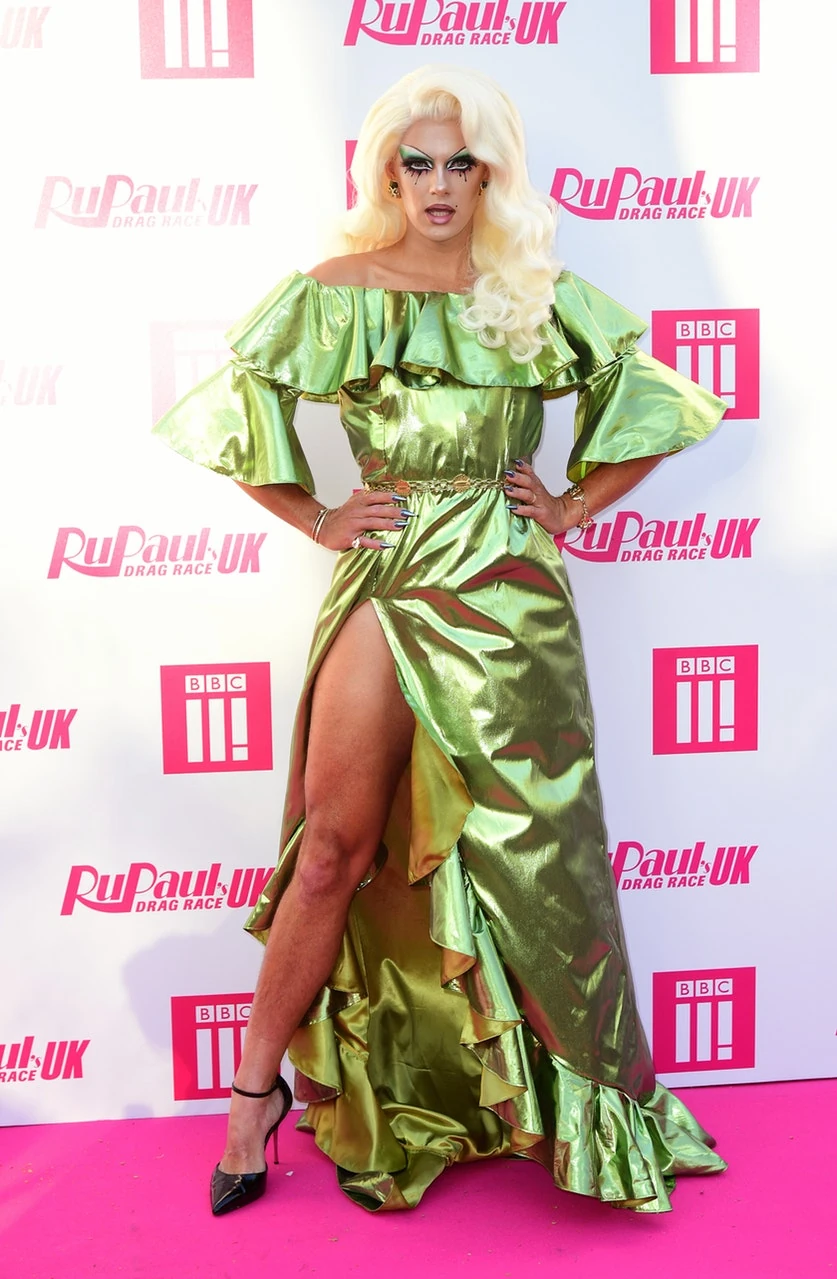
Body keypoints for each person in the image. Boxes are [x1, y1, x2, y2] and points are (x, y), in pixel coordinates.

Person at [153, 64, 727, 1217]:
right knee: (333, 845)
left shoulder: (531, 291)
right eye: (414, 162)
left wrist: (570, 504)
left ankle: (587, 1114)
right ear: (384, 173)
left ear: (493, 175)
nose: (437, 184)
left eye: (462, 162)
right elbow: (234, 408)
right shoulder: (338, 291)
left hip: (512, 595)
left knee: (543, 865)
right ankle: (253, 1099)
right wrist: (318, 516)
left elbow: (653, 403)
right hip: (389, 570)